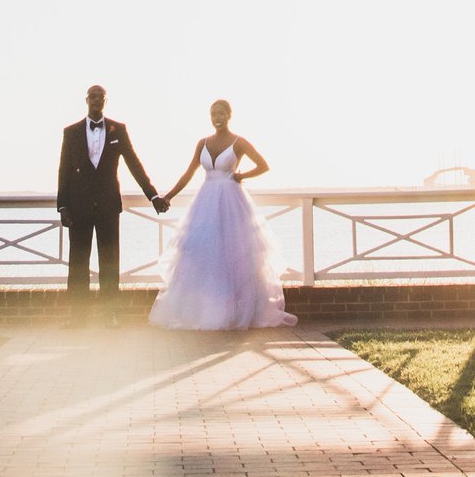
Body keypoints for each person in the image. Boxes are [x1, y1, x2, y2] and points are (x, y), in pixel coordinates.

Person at [148, 98, 297, 330]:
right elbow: (189, 173)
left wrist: (241, 175)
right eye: (213, 114)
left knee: (235, 255)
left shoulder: (239, 142)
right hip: (206, 202)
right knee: (199, 251)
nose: (217, 118)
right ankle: (202, 309)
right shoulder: (203, 143)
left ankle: (234, 311)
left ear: (229, 115)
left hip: (231, 203)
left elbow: (263, 165)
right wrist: (168, 196)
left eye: (221, 113)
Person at [57, 84, 164, 318]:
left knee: (109, 261)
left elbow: (134, 164)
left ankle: (109, 315)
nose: (96, 100)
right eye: (92, 97)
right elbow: (63, 169)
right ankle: (78, 316)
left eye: (100, 97)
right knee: (78, 262)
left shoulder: (119, 130)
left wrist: (153, 195)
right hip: (78, 207)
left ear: (106, 101)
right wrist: (62, 206)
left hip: (108, 206)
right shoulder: (71, 132)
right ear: (86, 100)